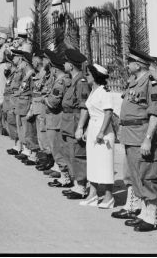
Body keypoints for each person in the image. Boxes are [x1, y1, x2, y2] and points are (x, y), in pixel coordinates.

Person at [118, 49, 157, 232]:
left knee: (148, 175)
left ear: (138, 64)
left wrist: (148, 139)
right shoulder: (135, 82)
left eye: (130, 62)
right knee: (136, 175)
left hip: (141, 134)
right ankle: (144, 212)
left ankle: (152, 216)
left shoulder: (151, 83)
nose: (128, 65)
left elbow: (153, 114)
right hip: (130, 134)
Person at [76, 63, 115, 208]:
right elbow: (91, 112)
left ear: (96, 76)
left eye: (89, 74)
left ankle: (109, 198)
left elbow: (108, 113)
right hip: (93, 128)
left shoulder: (104, 92)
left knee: (105, 164)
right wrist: (87, 130)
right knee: (92, 163)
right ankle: (93, 195)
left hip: (103, 131)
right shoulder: (93, 91)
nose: (86, 77)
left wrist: (101, 132)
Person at [60, 48, 90, 200]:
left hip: (75, 122)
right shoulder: (73, 81)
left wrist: (80, 127)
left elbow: (84, 107)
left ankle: (82, 186)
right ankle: (76, 184)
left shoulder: (81, 82)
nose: (63, 64)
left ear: (71, 65)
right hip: (67, 123)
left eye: (65, 62)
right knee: (69, 154)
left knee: (78, 155)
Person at [44, 50, 73, 188]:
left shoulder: (60, 82)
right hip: (58, 119)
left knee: (57, 149)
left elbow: (53, 103)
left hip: (55, 119)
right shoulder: (64, 80)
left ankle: (65, 177)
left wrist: (45, 100)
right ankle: (65, 176)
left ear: (54, 69)